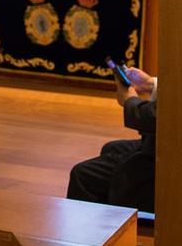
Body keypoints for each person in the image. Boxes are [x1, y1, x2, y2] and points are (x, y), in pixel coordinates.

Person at [67, 66, 156, 212]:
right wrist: (150, 84)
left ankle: (97, 230)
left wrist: (130, 101)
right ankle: (108, 220)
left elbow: (158, 117)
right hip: (164, 139)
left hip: (170, 151)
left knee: (83, 174)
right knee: (111, 147)